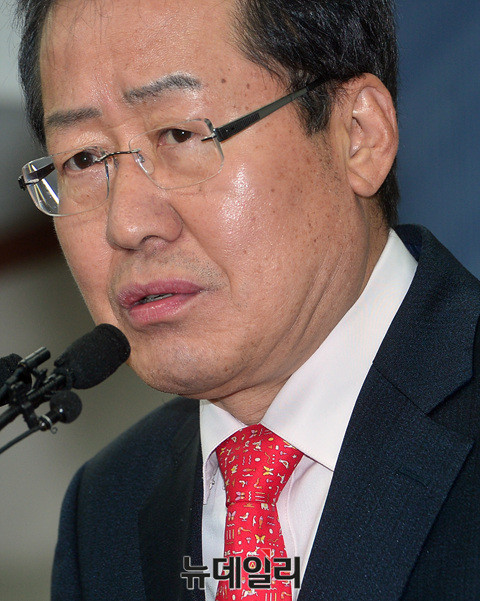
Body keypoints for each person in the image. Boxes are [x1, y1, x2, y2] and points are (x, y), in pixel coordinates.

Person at [15, 0, 480, 599]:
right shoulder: (105, 509)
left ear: (358, 136)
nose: (126, 224)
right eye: (82, 159)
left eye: (180, 135)